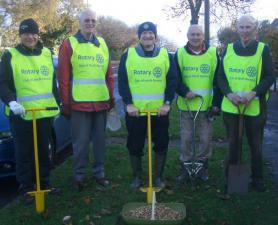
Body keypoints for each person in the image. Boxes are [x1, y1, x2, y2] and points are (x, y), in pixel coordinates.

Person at [0, 18, 60, 204]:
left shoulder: (46, 54)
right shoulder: (10, 55)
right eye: (25, 33)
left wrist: (58, 103)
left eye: (33, 33)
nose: (30, 37)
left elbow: (52, 83)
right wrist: (11, 102)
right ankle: (26, 189)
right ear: (20, 35)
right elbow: (2, 82)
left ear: (38, 35)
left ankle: (45, 184)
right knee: (23, 154)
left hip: (43, 113)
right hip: (21, 115)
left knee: (43, 152)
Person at [58, 9, 114, 190]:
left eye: (93, 21)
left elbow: (109, 75)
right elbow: (63, 77)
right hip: (79, 103)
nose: (90, 23)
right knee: (80, 144)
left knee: (99, 142)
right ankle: (79, 176)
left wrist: (111, 98)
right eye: (87, 20)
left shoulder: (103, 44)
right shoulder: (69, 44)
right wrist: (66, 103)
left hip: (100, 102)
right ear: (79, 22)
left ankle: (100, 173)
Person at [218, 15, 275, 192]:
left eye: (248, 27)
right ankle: (233, 180)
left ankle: (257, 179)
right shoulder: (228, 49)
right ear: (237, 29)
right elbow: (220, 76)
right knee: (234, 144)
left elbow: (269, 76)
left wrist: (254, 92)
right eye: (241, 27)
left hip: (255, 107)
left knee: (255, 145)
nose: (244, 31)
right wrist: (229, 94)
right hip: (231, 107)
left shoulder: (262, 50)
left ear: (255, 28)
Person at [118, 21, 177, 189]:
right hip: (137, 112)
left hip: (160, 112)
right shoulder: (128, 55)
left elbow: (172, 81)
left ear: (155, 36)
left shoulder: (165, 55)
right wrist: (128, 104)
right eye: (144, 34)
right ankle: (137, 177)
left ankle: (158, 177)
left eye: (151, 33)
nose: (147, 35)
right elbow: (122, 82)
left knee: (161, 143)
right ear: (139, 37)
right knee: (135, 145)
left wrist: (167, 104)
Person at [175, 25, 221, 182]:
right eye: (192, 34)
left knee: (205, 139)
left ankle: (202, 168)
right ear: (187, 36)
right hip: (186, 105)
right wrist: (184, 91)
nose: (195, 37)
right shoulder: (180, 53)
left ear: (203, 36)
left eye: (198, 34)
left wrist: (216, 104)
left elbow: (218, 80)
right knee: (186, 139)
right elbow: (175, 78)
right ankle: (186, 168)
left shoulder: (213, 53)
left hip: (206, 106)